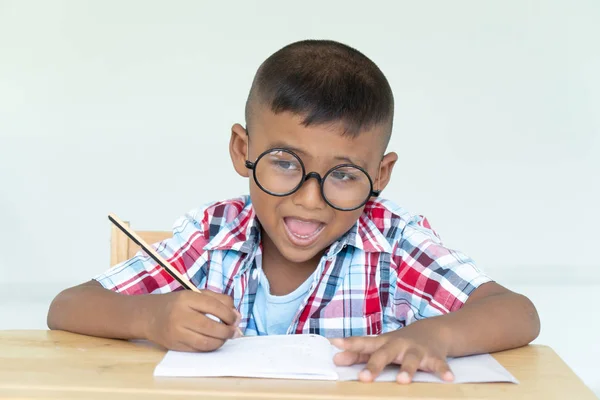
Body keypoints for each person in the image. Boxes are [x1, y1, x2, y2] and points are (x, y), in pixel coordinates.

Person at [47, 39, 540, 384]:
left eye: (345, 175)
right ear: (243, 149)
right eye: (285, 164)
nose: (310, 199)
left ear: (381, 176)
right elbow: (66, 307)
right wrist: (150, 318)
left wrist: (436, 333)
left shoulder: (393, 243)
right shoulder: (210, 236)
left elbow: (518, 313)